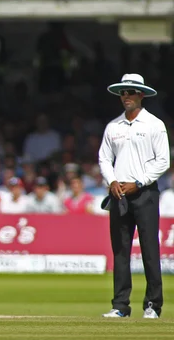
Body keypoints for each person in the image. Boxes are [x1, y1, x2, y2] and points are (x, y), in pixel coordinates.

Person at [99, 74, 170, 319]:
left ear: (141, 94)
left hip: (145, 194)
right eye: (123, 92)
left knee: (150, 249)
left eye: (131, 92)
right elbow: (104, 159)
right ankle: (120, 305)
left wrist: (139, 182)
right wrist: (112, 181)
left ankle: (153, 305)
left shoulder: (154, 124)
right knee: (120, 250)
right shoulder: (113, 127)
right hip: (119, 194)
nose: (126, 96)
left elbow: (163, 160)